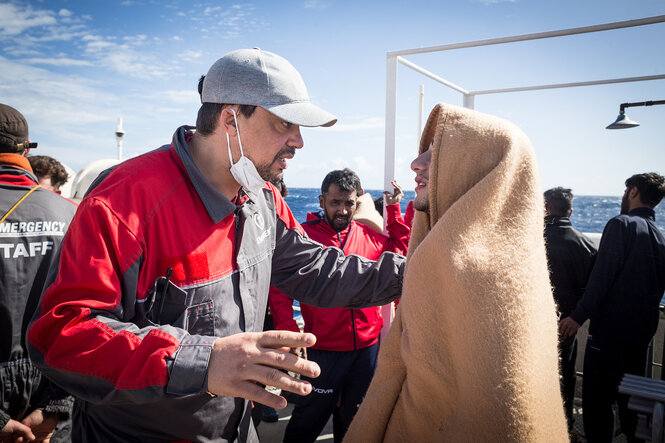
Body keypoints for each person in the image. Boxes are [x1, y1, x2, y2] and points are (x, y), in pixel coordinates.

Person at [26, 48, 405, 442]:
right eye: (284, 124)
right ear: (230, 119)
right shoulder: (124, 201)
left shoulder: (262, 197)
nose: (298, 141)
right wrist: (202, 361)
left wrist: (411, 275)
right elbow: (62, 334)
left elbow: (314, 268)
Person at [344, 103, 568, 442]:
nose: (416, 162)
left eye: (440, 154)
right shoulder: (518, 266)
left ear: (477, 169)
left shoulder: (457, 266)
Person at [270, 169, 409, 442]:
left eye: (349, 203)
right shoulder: (303, 237)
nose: (343, 210)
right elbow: (279, 287)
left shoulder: (369, 237)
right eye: (335, 202)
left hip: (366, 351)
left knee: (354, 421)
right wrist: (289, 329)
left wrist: (393, 210)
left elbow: (399, 254)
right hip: (323, 351)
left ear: (357, 203)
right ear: (322, 201)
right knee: (308, 420)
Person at [559, 172, 665, 443]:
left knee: (597, 405)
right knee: (630, 406)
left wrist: (577, 317)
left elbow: (601, 278)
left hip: (609, 337)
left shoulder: (621, 225)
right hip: (641, 337)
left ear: (633, 191)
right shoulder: (660, 237)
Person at [0, 104, 76, 442]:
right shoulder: (73, 214)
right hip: (55, 382)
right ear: (26, 149)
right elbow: (97, 314)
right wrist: (60, 403)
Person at [543, 187, 597, 437]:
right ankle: (565, 426)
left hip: (529, 322)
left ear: (543, 208)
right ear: (571, 212)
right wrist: (576, 317)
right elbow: (594, 289)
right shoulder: (586, 244)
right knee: (565, 375)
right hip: (567, 323)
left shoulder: (529, 239)